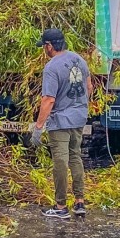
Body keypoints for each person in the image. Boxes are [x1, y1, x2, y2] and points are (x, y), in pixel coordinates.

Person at [31, 28, 92, 219]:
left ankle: (60, 206)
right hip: (79, 117)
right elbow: (89, 87)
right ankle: (80, 202)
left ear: (49, 46)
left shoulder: (51, 67)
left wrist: (38, 127)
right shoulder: (79, 60)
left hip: (60, 121)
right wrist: (79, 107)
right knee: (75, 157)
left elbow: (48, 99)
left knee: (60, 161)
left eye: (44, 47)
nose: (44, 50)